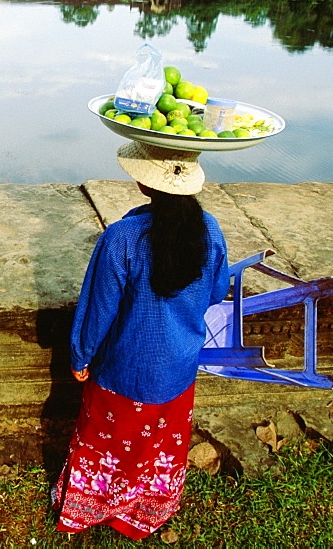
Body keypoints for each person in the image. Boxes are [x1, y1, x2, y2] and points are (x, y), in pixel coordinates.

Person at [52, 141, 230, 540]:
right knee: (159, 445)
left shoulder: (123, 238)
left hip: (124, 367)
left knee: (108, 440)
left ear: (144, 184)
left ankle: (92, 506)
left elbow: (98, 311)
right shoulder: (211, 231)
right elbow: (218, 291)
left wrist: (80, 356)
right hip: (179, 367)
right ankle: (146, 509)